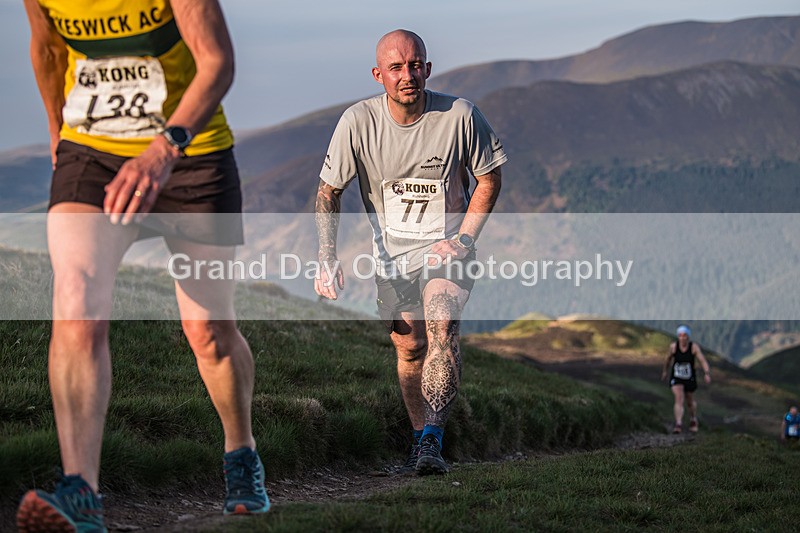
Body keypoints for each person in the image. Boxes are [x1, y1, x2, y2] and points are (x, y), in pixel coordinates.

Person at [18, 1, 269, 530]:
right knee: (77, 300)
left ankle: (241, 454)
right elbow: (46, 46)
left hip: (190, 153)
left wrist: (162, 151)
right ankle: (80, 492)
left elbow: (217, 62)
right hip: (92, 151)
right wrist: (56, 133)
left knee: (209, 331)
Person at [314, 29, 506, 475]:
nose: (408, 75)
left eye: (416, 65)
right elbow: (329, 191)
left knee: (442, 325)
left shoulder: (460, 115)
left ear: (428, 69)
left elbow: (490, 178)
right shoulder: (357, 123)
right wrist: (327, 256)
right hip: (392, 260)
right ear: (379, 75)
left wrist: (464, 239)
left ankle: (433, 443)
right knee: (410, 349)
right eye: (397, 68)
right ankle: (419, 437)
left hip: (447, 251)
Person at [661, 325, 711, 434]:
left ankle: (693, 419)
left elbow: (702, 360)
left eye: (684, 336)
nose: (682, 338)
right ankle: (678, 423)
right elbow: (667, 359)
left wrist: (706, 373)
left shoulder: (694, 347)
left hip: (689, 377)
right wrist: (665, 371)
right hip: (677, 376)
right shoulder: (673, 347)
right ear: (678, 337)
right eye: (680, 335)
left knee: (689, 401)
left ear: (688, 337)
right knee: (679, 397)